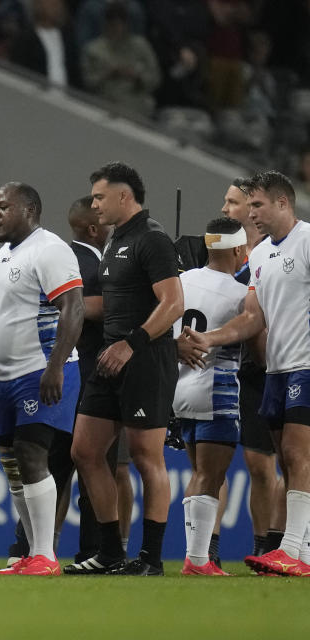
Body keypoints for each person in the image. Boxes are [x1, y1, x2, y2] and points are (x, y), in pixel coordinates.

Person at [185, 170, 310, 577]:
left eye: (257, 205)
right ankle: (302, 554)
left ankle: (289, 549)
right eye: (249, 205)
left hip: (305, 366)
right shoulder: (258, 255)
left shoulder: (307, 241)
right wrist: (211, 337)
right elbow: (252, 317)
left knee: (296, 454)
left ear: (282, 203)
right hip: (276, 369)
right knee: (289, 465)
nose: (251, 214)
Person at [0, 183, 84, 576]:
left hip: (39, 370)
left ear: (29, 209)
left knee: (32, 456)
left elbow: (73, 306)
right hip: (6, 379)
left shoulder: (49, 249)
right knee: (13, 466)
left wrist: (56, 365)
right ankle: (33, 553)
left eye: (4, 206)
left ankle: (45, 554)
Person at [66, 161, 183, 576]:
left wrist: (131, 345)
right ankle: (111, 552)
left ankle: (151, 559)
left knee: (145, 456)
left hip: (143, 359)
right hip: (110, 359)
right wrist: (59, 303)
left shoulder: (152, 240)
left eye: (100, 196)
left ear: (123, 196)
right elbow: (111, 303)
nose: (94, 204)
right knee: (84, 450)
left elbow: (173, 303)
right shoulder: (117, 241)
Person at [173, 217, 249, 576]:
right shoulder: (240, 294)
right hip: (216, 387)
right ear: (238, 250)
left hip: (180, 388)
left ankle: (196, 556)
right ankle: (199, 561)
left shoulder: (182, 281)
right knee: (211, 476)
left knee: (199, 474)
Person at [221, 177, 286, 556]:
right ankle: (252, 547)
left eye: (231, 202)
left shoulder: (273, 252)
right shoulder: (221, 252)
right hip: (235, 370)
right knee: (240, 464)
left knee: (274, 463)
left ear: (253, 206)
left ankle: (274, 545)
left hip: (273, 369)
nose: (225, 209)